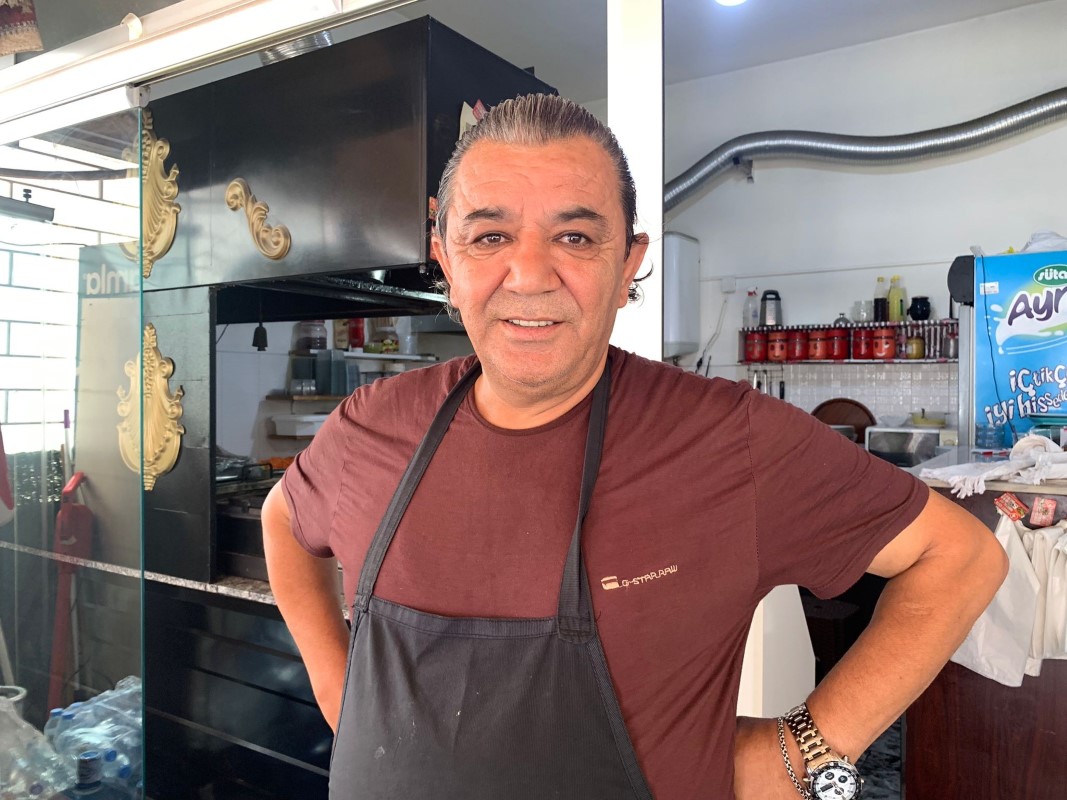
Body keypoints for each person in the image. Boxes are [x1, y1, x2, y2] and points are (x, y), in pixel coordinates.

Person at [262, 93, 1007, 799]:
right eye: (489, 237)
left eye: (575, 238)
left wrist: (806, 752)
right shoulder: (370, 425)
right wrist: (338, 687)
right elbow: (283, 519)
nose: (530, 275)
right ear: (446, 261)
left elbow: (960, 557)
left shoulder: (727, 436)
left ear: (627, 266)